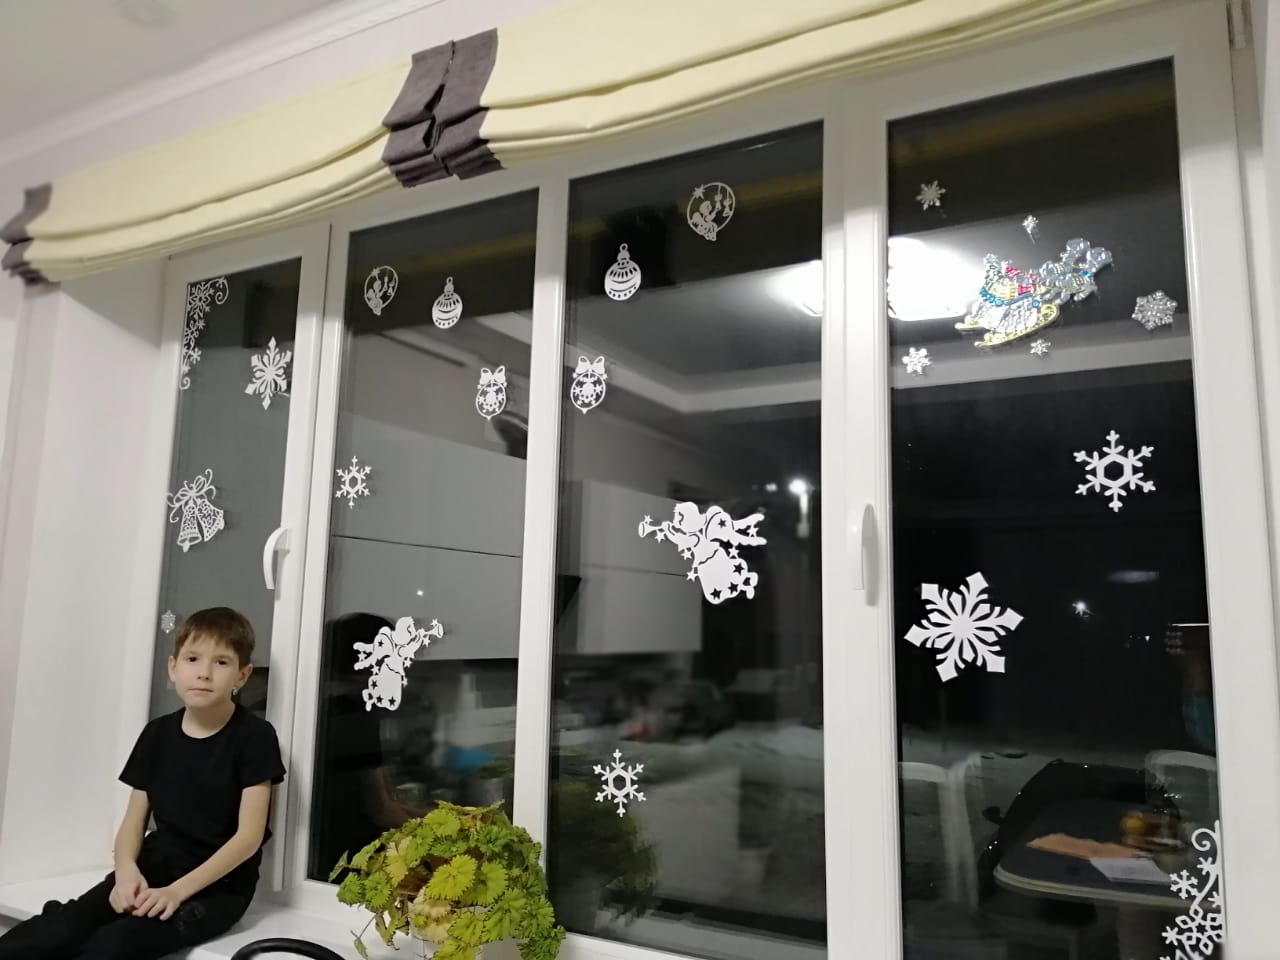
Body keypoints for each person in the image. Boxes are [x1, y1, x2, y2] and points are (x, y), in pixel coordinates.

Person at [0, 607, 286, 960]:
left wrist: (175, 892)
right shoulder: (157, 733)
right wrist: (125, 873)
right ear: (173, 668)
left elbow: (248, 839)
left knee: (114, 945)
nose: (204, 672)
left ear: (242, 675)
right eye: (192, 659)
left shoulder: (255, 737)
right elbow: (132, 825)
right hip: (152, 868)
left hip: (217, 888)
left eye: (221, 662)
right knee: (56, 929)